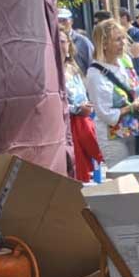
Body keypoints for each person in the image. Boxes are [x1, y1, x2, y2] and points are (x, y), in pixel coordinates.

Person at [86, 19, 139, 167]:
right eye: (118, 39)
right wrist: (132, 107)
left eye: (123, 37)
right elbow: (106, 114)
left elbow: (135, 91)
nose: (123, 43)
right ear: (104, 44)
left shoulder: (125, 60)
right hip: (112, 135)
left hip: (133, 128)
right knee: (123, 178)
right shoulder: (95, 73)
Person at [61, 29, 102, 183]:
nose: (60, 45)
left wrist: (86, 106)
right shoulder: (50, 71)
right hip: (68, 122)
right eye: (57, 41)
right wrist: (77, 109)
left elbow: (81, 93)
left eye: (63, 41)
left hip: (82, 118)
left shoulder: (73, 67)